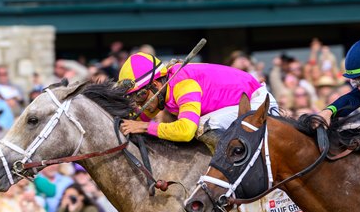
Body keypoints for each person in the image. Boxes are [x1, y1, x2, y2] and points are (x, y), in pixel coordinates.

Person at [119, 52, 278, 153]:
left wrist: (145, 127)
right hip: (241, 105)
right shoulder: (161, 91)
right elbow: (136, 120)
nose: (140, 104)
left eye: (140, 96)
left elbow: (186, 131)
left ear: (156, 85)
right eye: (134, 99)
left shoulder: (184, 85)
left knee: (201, 126)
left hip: (258, 105)